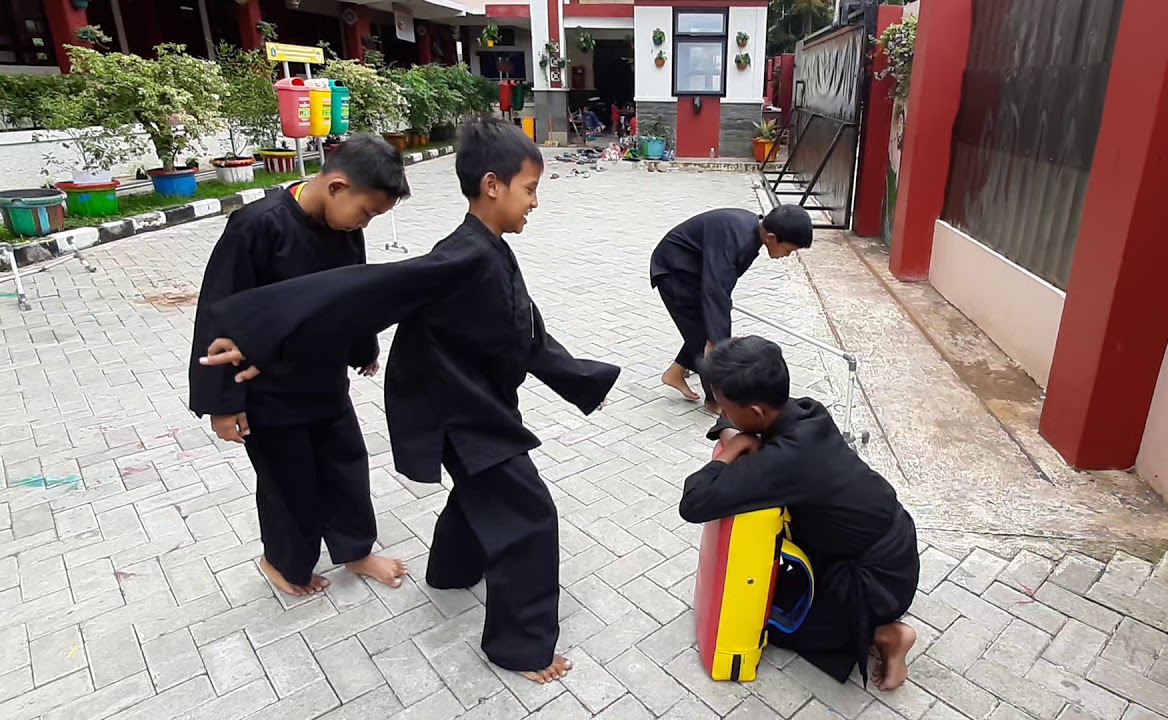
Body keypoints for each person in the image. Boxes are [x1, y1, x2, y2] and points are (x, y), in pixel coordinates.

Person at [196, 116, 620, 685]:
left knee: (448, 488)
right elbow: (363, 291)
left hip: (462, 406)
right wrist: (250, 333)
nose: (536, 203)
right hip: (450, 413)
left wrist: (580, 377)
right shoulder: (461, 255)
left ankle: (448, 571)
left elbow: (525, 330)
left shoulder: (488, 249)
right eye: (531, 189)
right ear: (492, 185)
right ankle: (521, 648)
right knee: (529, 518)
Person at [187, 133, 411, 598]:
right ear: (335, 187)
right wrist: (222, 404)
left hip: (324, 383)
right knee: (290, 486)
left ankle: (355, 550)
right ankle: (282, 562)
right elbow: (217, 314)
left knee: (347, 468)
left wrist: (362, 347)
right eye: (366, 212)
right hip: (269, 394)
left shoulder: (344, 232)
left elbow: (351, 297)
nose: (363, 225)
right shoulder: (258, 226)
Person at [678, 336, 920, 691]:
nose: (724, 416)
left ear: (757, 413)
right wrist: (734, 430)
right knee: (775, 593)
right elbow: (741, 427)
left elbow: (694, 502)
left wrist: (734, 449)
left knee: (773, 622)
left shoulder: (786, 460)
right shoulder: (807, 411)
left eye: (726, 408)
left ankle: (887, 634)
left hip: (875, 580)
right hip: (883, 543)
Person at [649, 205, 813, 411]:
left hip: (694, 272)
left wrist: (718, 324)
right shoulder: (738, 238)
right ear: (771, 237)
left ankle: (675, 373)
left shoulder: (751, 233)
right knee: (707, 341)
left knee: (706, 328)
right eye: (789, 250)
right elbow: (715, 288)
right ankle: (716, 402)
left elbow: (721, 284)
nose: (787, 255)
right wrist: (716, 341)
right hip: (674, 271)